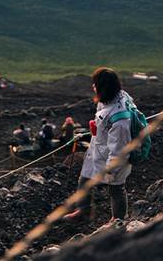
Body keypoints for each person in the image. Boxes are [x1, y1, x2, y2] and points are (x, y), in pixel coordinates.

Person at [64, 67, 133, 223]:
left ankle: (118, 221)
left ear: (104, 87)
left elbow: (119, 149)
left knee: (116, 188)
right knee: (85, 179)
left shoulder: (120, 119)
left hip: (113, 156)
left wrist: (110, 170)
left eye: (95, 84)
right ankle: (84, 210)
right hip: (99, 148)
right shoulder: (110, 99)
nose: (93, 87)